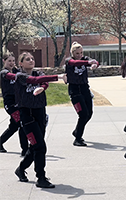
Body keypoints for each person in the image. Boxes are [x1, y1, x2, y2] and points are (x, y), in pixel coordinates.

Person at [2, 52, 65, 188]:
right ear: (21, 63)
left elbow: (42, 81)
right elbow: (33, 81)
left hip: (40, 112)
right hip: (27, 114)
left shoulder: (39, 73)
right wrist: (58, 76)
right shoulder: (19, 76)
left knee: (35, 146)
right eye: (27, 59)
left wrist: (43, 87)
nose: (31, 61)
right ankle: (41, 177)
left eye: (32, 59)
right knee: (40, 146)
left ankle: (20, 169)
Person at [65, 42, 99, 146]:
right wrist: (88, 63)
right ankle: (78, 139)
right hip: (74, 90)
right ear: (72, 53)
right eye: (77, 53)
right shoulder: (68, 61)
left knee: (89, 113)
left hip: (84, 88)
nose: (80, 55)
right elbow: (75, 63)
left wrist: (94, 64)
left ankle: (76, 131)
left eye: (81, 53)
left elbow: (94, 62)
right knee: (83, 114)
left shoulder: (85, 59)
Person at [0, 52, 28, 155]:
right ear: (4, 61)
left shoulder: (17, 71)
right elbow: (13, 77)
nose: (11, 63)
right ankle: (25, 149)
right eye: (9, 61)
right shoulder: (4, 73)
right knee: (21, 123)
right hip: (10, 104)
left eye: (13, 61)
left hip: (19, 102)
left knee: (14, 126)